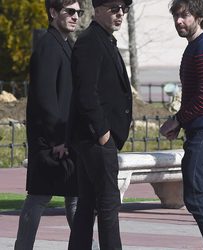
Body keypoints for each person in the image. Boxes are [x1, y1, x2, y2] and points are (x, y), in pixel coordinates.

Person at [160, 0, 203, 249]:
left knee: (199, 197)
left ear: (198, 17)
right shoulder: (196, 46)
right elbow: (197, 96)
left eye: (185, 15)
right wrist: (181, 122)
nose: (179, 21)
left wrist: (177, 119)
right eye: (176, 16)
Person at [14, 1, 83, 249]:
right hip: (52, 142)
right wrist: (57, 140)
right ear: (53, 13)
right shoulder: (48, 47)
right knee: (39, 198)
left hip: (65, 138)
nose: (76, 17)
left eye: (79, 12)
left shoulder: (65, 45)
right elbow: (45, 99)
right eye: (70, 11)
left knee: (75, 199)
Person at [67, 0, 133, 249]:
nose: (120, 14)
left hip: (96, 138)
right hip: (96, 140)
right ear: (97, 9)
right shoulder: (90, 41)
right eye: (114, 8)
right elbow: (86, 93)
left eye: (124, 10)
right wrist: (103, 132)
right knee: (107, 204)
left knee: (88, 204)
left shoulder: (104, 39)